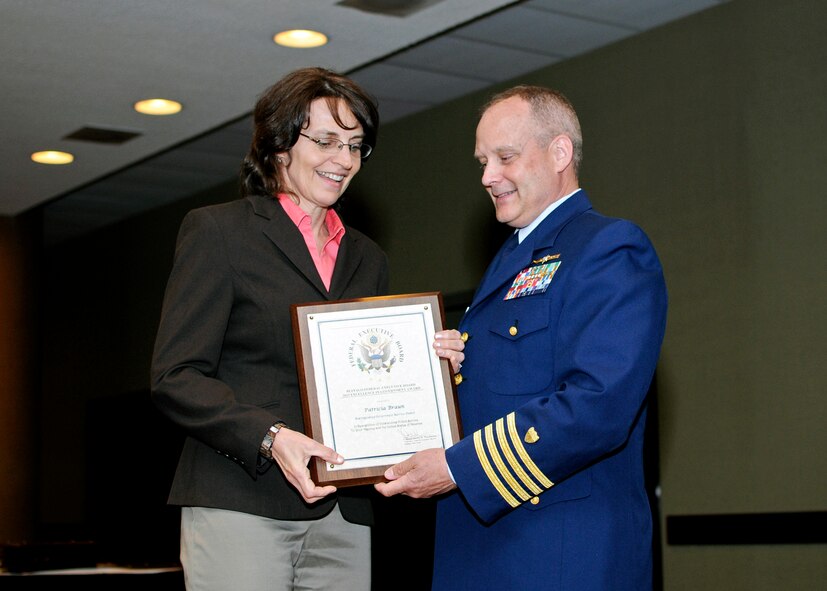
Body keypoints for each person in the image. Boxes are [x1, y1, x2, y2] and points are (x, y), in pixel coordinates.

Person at [376, 85, 668, 591]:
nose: (488, 177)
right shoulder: (514, 260)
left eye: (505, 157)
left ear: (559, 152)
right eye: (482, 161)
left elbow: (597, 407)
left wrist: (458, 467)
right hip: (484, 546)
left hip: (559, 551)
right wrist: (445, 374)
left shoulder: (608, 247)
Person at [150, 67, 387, 591]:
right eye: (326, 140)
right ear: (280, 146)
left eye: (355, 145)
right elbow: (176, 375)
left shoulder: (367, 257)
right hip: (239, 497)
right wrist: (271, 438)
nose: (343, 159)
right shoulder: (219, 232)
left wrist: (431, 362)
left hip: (344, 513)